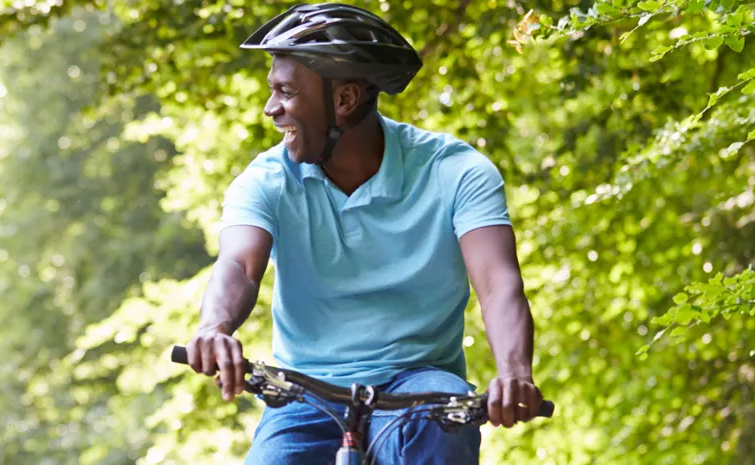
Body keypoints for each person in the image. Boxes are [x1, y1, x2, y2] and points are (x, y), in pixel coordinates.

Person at [181, 4, 543, 464]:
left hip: (420, 383)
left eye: (286, 92)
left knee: (438, 432)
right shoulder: (266, 180)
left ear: (345, 99)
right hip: (306, 392)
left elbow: (498, 284)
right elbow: (238, 264)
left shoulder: (455, 171)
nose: (271, 108)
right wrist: (214, 328)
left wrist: (514, 372)